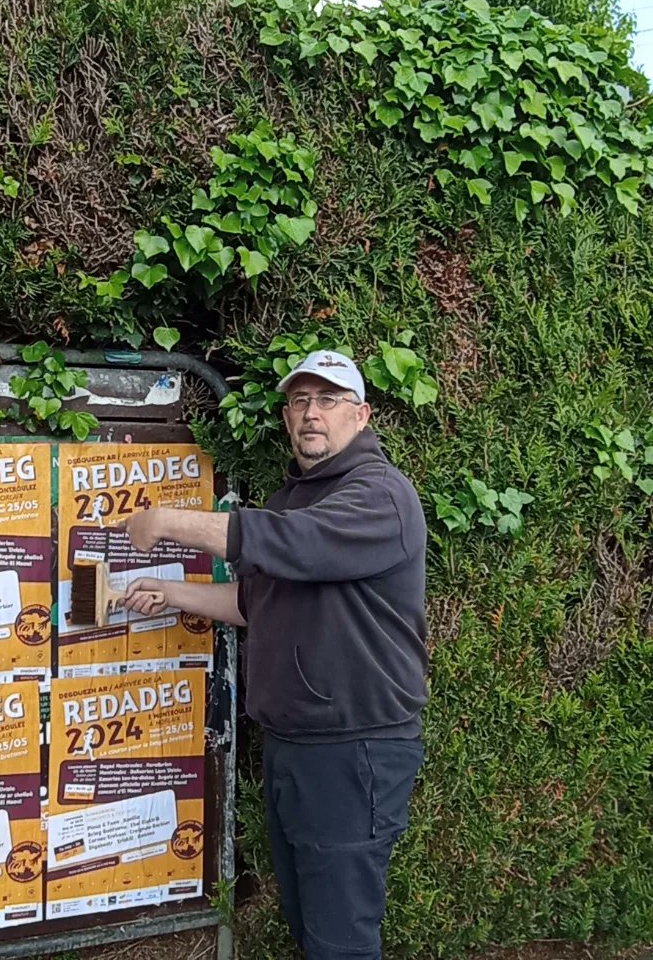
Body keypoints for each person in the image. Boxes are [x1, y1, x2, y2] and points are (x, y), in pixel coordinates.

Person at [121, 350, 428, 960]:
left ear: (361, 415)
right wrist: (171, 592)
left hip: (354, 749)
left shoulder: (380, 496)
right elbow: (256, 602)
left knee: (340, 938)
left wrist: (169, 521)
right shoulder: (298, 497)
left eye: (329, 401)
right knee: (308, 923)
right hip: (296, 743)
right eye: (299, 402)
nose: (311, 414)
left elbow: (299, 545)